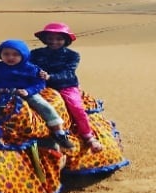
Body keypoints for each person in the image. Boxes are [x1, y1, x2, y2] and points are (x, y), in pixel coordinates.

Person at [0, 39, 75, 149]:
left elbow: (40, 83)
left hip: (27, 94)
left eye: (15, 54)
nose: (10, 57)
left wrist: (28, 91)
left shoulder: (31, 68)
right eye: (6, 54)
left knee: (45, 107)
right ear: (0, 54)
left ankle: (59, 133)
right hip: (4, 94)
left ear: (23, 55)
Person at [29, 22, 104, 153]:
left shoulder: (72, 55)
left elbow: (69, 72)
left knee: (76, 107)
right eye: (50, 38)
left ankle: (88, 137)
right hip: (40, 85)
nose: (54, 42)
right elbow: (28, 67)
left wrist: (50, 77)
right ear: (45, 39)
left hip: (65, 85)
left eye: (59, 39)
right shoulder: (35, 54)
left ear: (66, 40)